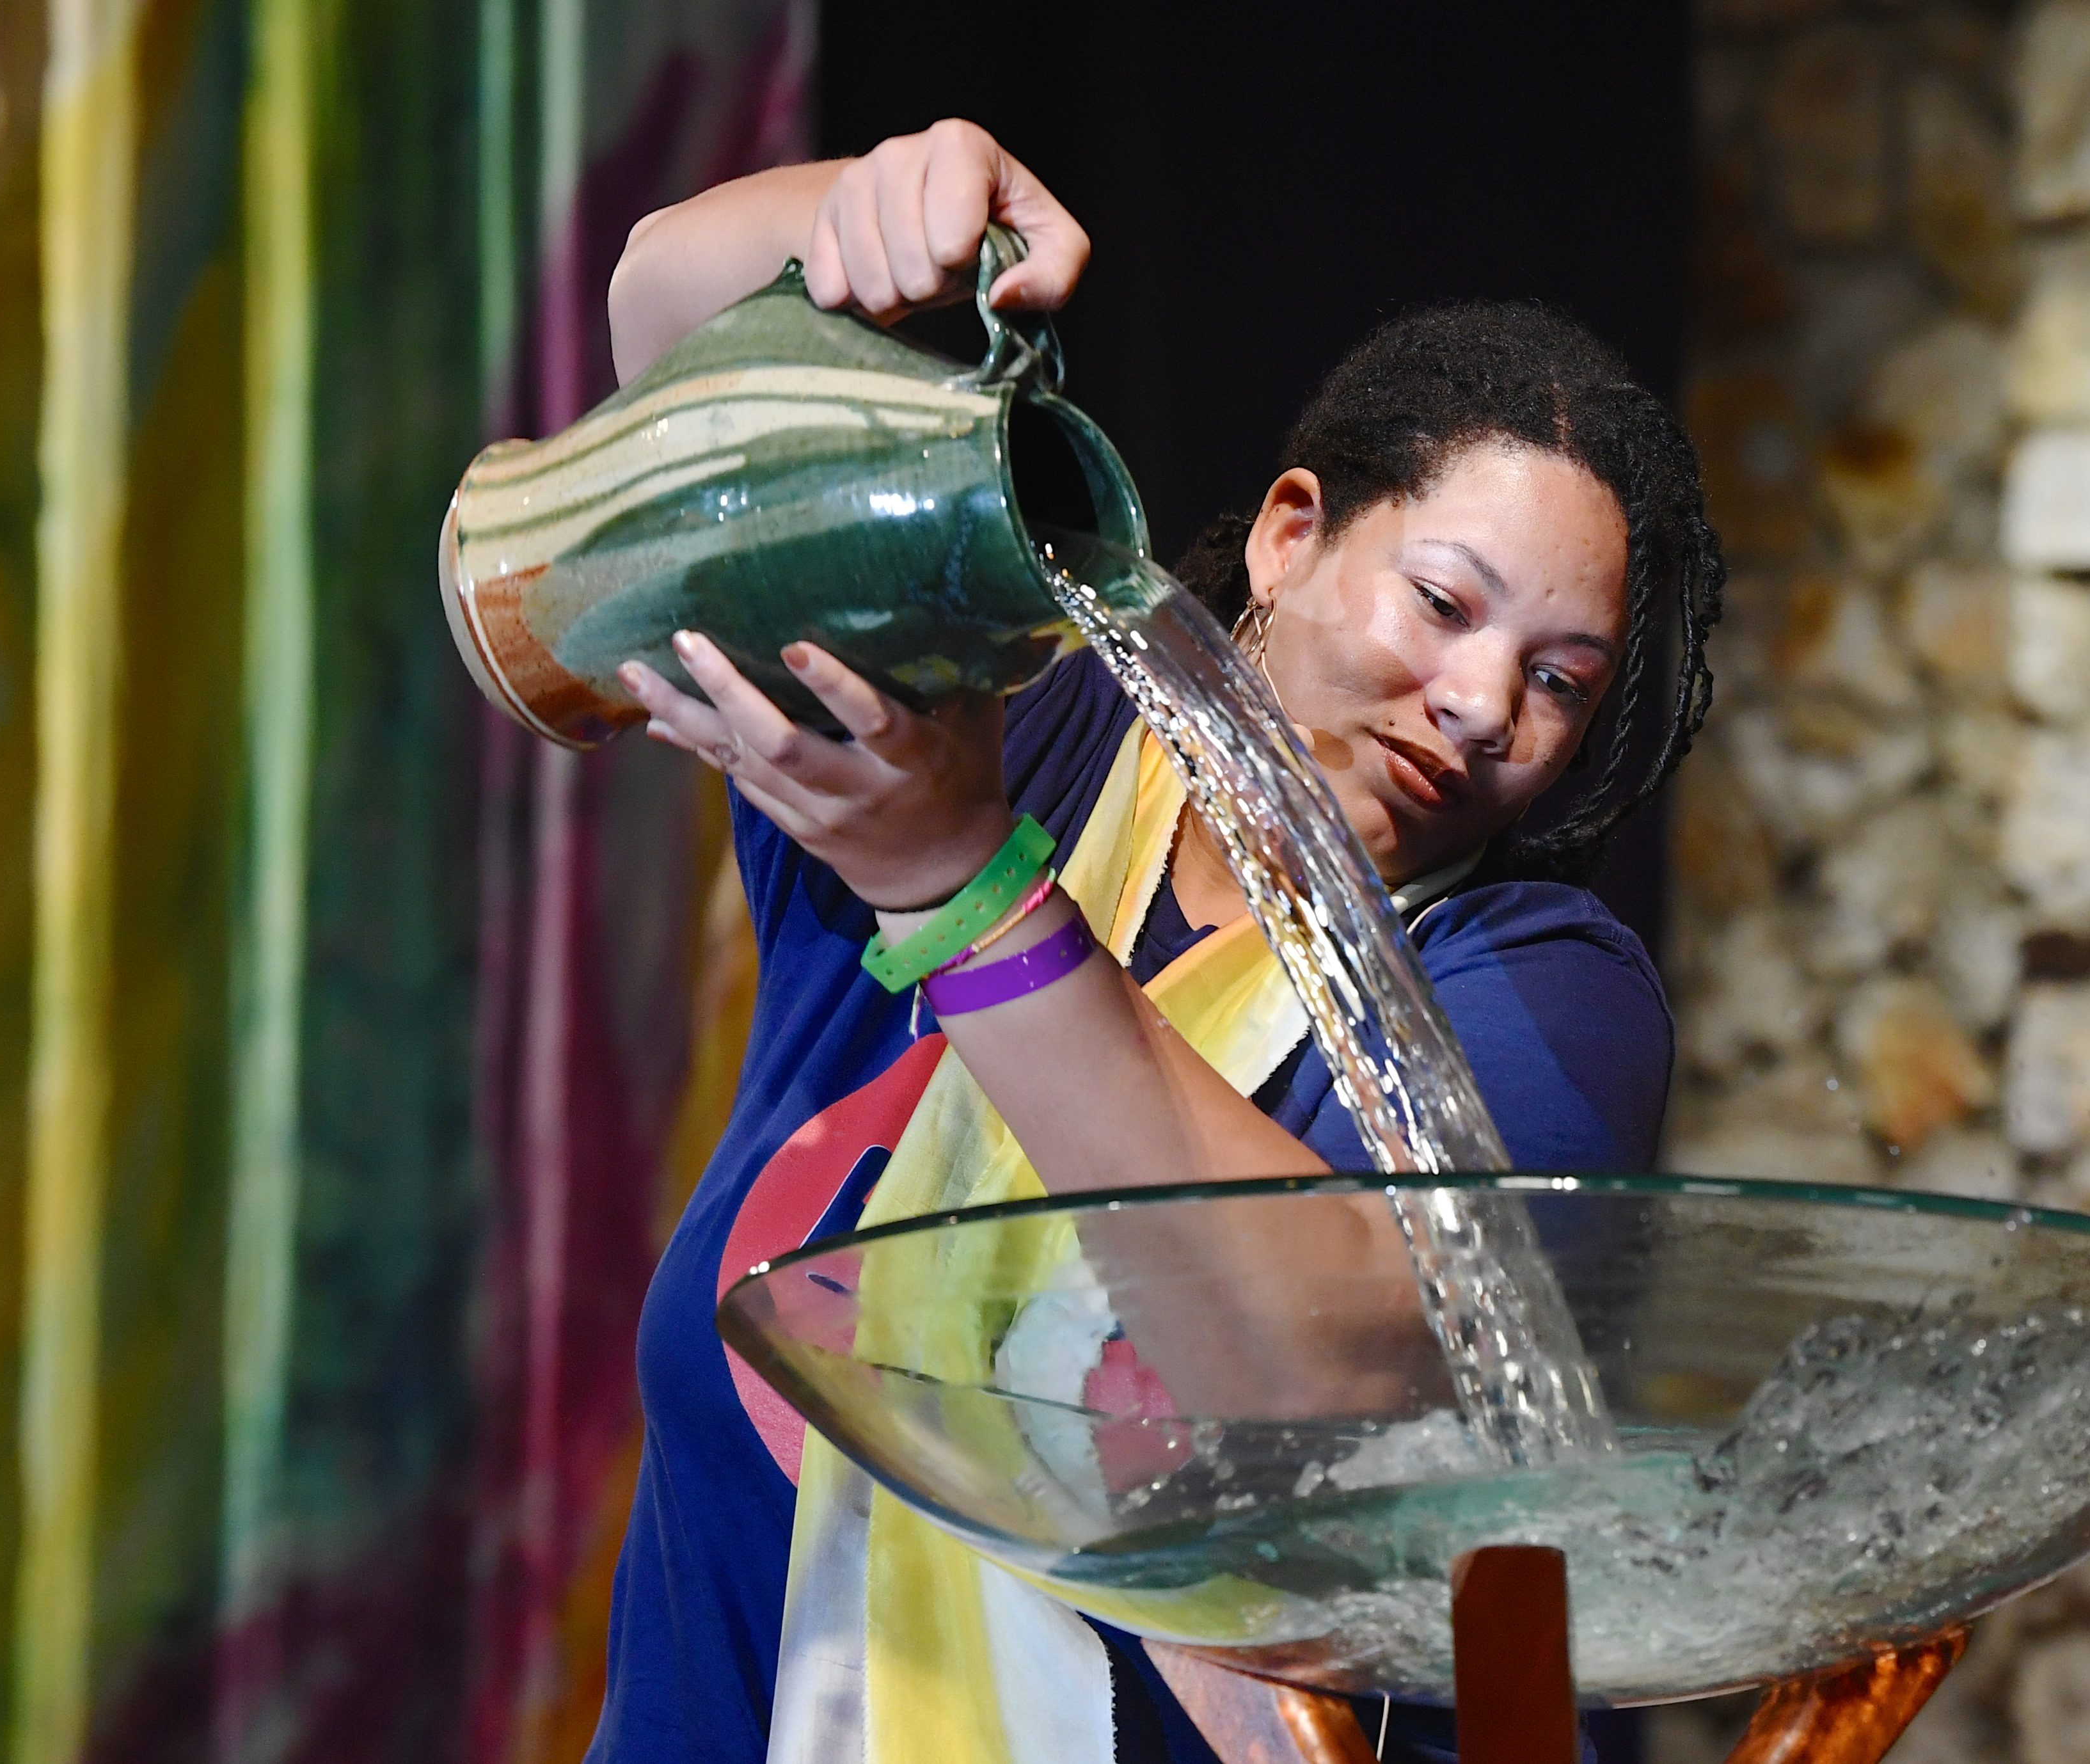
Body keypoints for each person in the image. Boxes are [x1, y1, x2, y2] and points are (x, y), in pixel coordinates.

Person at [585, 120, 1725, 1764]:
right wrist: (879, 212)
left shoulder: (1537, 987)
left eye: (1560, 679)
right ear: (1286, 532)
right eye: (1446, 602)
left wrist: (967, 899)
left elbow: (1327, 1365)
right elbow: (667, 343)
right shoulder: (1004, 744)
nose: (1481, 706)